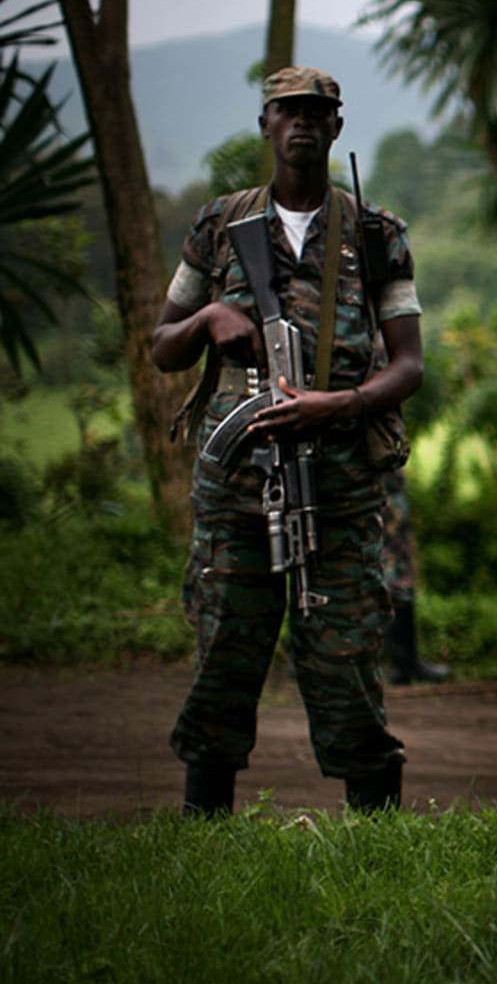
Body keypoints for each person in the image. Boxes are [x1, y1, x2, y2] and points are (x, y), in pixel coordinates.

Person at [152, 66, 424, 813]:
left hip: (337, 487)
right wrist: (208, 320)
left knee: (343, 661)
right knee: (225, 656)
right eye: (287, 111)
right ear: (266, 125)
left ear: (336, 129)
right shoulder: (219, 224)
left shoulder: (375, 232)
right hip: (233, 489)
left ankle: (377, 834)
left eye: (317, 112)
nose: (302, 123)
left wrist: (340, 405)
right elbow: (161, 345)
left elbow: (408, 365)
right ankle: (203, 828)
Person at [379, 467, 451, 685]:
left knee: (398, 576)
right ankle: (402, 663)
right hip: (377, 492)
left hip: (385, 488)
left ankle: (405, 661)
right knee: (395, 578)